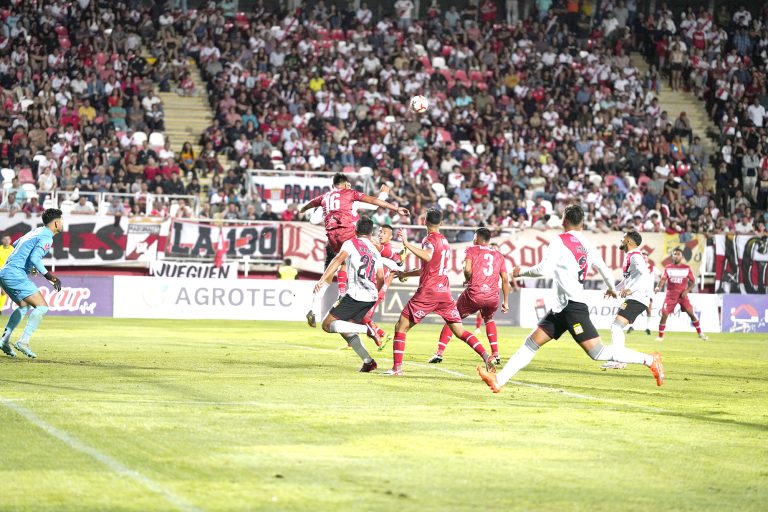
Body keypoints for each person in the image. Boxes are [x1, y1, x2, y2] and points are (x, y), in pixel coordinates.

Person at [477, 205, 665, 392]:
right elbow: (604, 270)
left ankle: (649, 360)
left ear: (564, 220)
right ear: (582, 223)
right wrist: (611, 288)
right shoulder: (588, 244)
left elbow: (543, 269)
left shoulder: (560, 240)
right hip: (561, 308)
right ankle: (498, 381)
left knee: (597, 352)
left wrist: (520, 272)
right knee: (531, 343)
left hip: (572, 307)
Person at [387, 209, 496, 376]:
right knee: (459, 331)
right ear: (442, 223)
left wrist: (406, 243)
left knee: (400, 327)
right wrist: (405, 274)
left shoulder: (429, 240)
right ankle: (486, 355)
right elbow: (429, 267)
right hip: (444, 292)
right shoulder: (445, 241)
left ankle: (396, 369)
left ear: (424, 221)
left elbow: (428, 257)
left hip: (428, 292)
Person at [300, 173, 409, 328]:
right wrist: (385, 195)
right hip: (348, 237)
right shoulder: (349, 196)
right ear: (345, 185)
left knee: (330, 273)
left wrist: (307, 209)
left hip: (332, 241)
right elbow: (373, 204)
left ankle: (313, 309)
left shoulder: (325, 199)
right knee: (370, 250)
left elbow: (312, 219)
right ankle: (397, 264)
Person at [428, 227, 511, 365]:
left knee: (452, 316)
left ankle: (439, 352)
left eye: (474, 236)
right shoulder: (499, 255)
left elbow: (467, 269)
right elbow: (505, 279)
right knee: (489, 320)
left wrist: (467, 279)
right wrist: (506, 302)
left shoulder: (471, 249)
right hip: (492, 296)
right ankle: (495, 354)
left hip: (475, 293)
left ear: (477, 238)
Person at [315, 217, 384, 372]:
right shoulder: (375, 250)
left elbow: (338, 260)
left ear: (355, 230)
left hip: (355, 295)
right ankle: (368, 361)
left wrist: (322, 279)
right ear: (371, 233)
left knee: (327, 325)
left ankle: (369, 330)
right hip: (371, 295)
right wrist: (374, 293)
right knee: (345, 328)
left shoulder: (351, 243)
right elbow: (380, 276)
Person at [0, 209, 64, 359]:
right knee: (42, 306)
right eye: (61, 221)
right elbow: (35, 258)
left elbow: (16, 245)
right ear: (55, 223)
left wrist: (30, 266)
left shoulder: (35, 231)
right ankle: (24, 341)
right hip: (15, 273)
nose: (62, 223)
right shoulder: (47, 237)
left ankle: (4, 340)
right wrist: (50, 277)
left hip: (5, 272)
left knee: (24, 306)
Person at [601, 231, 655, 370]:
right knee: (616, 326)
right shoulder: (631, 256)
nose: (621, 240)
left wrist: (632, 290)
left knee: (616, 326)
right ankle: (619, 359)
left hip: (638, 297)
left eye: (623, 238)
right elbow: (628, 280)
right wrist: (613, 289)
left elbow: (644, 274)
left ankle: (619, 360)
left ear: (629, 242)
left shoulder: (636, 256)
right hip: (636, 297)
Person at [361, 224, 405, 349]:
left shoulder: (387, 249)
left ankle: (381, 335)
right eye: (380, 232)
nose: (380, 234)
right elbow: (391, 274)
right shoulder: (383, 250)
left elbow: (379, 248)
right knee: (361, 317)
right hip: (372, 288)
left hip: (376, 290)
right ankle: (381, 334)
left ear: (390, 237)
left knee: (363, 317)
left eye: (384, 233)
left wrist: (364, 236)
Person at [655, 248, 708, 341]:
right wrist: (658, 287)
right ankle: (660, 336)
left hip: (682, 295)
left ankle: (700, 333)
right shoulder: (668, 267)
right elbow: (663, 279)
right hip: (671, 295)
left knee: (691, 313)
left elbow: (693, 282)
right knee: (664, 314)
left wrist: (686, 291)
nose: (676, 256)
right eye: (674, 254)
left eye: (678, 254)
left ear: (682, 256)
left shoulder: (686, 268)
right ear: (672, 256)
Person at [627, 249, 655, 336]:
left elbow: (661, 275)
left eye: (646, 255)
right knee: (634, 309)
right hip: (638, 290)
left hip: (648, 291)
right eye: (642, 255)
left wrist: (657, 287)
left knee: (648, 309)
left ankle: (648, 327)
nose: (644, 257)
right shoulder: (636, 266)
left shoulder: (652, 268)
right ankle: (631, 326)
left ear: (647, 258)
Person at [0, 235, 13, 313]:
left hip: (6, 274)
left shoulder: (13, 250)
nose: (7, 240)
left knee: (3, 292)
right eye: (5, 239)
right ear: (2, 240)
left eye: (8, 239)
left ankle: (0, 309)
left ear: (10, 240)